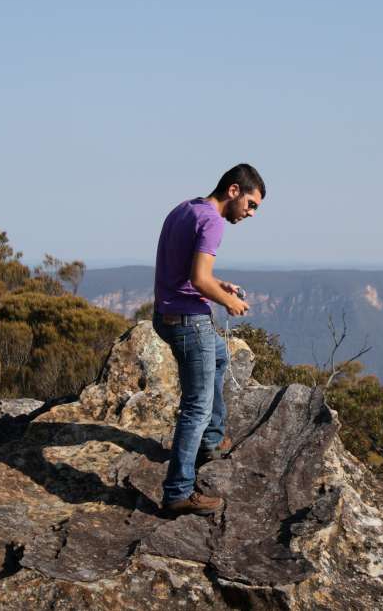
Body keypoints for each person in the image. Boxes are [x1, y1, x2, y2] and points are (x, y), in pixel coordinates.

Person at [151, 163, 265, 515]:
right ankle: (178, 492)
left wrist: (221, 285)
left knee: (219, 356)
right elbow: (200, 280)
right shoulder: (213, 222)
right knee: (196, 407)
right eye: (251, 204)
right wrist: (228, 300)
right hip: (189, 322)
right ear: (234, 190)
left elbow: (188, 273)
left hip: (165, 315)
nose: (250, 214)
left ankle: (211, 442)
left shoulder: (186, 209)